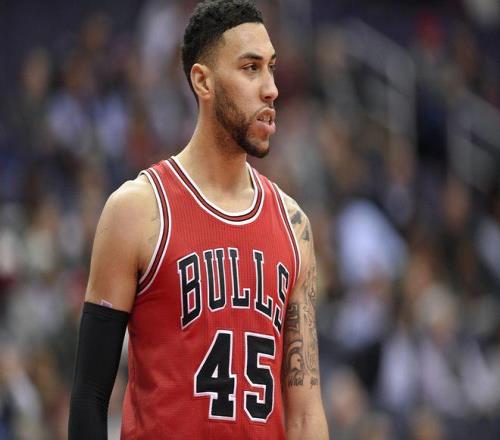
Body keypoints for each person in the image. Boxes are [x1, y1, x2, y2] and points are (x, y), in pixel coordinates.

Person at [68, 1, 329, 438]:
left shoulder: (293, 224)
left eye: (271, 68)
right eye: (250, 68)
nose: (271, 89)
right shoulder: (138, 210)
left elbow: (305, 415)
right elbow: (90, 397)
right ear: (203, 81)